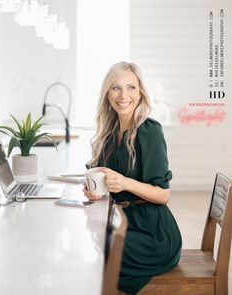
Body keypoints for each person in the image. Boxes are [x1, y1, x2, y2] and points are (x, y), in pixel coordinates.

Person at [83, 61, 182, 295]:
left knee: (103, 256)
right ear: (107, 93)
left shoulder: (149, 132)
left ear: (140, 93)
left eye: (131, 88)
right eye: (116, 88)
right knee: (94, 247)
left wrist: (125, 182)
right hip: (123, 224)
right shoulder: (108, 133)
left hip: (153, 234)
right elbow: (100, 178)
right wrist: (91, 189)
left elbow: (163, 194)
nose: (123, 95)